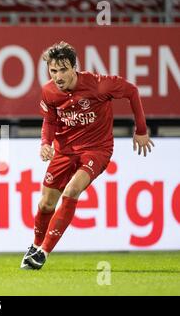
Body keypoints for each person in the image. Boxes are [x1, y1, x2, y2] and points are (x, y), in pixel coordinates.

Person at [20, 41, 154, 270]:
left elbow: (132, 91)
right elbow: (50, 120)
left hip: (96, 149)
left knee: (72, 190)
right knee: (45, 204)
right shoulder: (49, 90)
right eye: (53, 71)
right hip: (64, 151)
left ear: (74, 67)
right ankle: (35, 245)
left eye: (63, 70)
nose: (58, 76)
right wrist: (45, 143)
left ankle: (43, 253)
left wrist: (141, 130)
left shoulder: (99, 85)